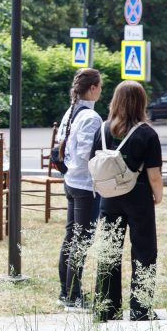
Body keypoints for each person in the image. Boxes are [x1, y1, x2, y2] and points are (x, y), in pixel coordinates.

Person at [91, 80, 163, 322]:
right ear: (141, 102)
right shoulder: (147, 133)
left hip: (109, 198)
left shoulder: (103, 128)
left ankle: (106, 309)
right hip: (138, 197)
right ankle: (141, 310)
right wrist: (159, 196)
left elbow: (93, 162)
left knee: (109, 252)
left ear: (116, 101)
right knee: (144, 252)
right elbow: (154, 174)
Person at [56, 67, 103, 310]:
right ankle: (73, 295)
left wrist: (70, 168)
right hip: (86, 186)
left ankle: (65, 291)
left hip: (71, 182)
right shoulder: (92, 118)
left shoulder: (71, 111)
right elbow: (87, 154)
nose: (101, 91)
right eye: (100, 87)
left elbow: (60, 146)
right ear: (92, 88)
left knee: (71, 238)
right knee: (81, 241)